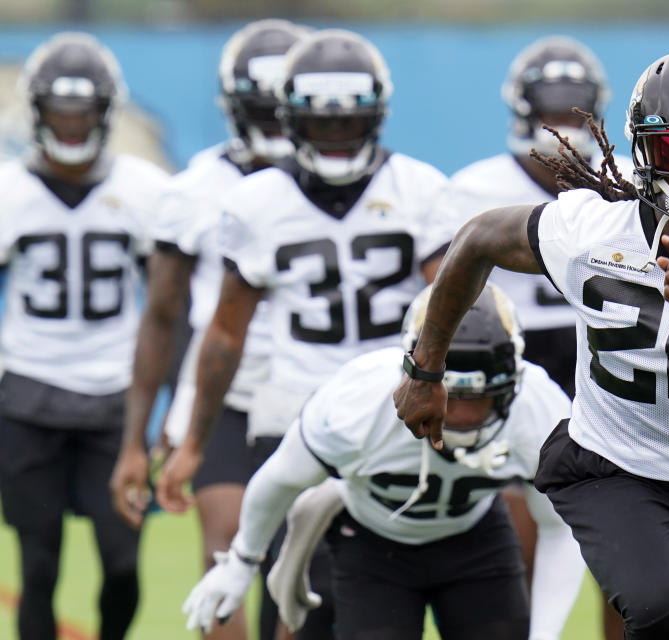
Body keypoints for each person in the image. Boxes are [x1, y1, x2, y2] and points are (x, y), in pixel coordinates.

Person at [394, 48, 669, 639]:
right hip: (614, 464)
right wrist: (425, 370)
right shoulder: (591, 231)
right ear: (646, 154)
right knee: (659, 605)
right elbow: (474, 241)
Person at [154, 27, 450, 635]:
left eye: (348, 122)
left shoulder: (419, 189)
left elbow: (448, 307)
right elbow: (225, 335)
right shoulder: (257, 199)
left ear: (376, 118)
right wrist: (192, 440)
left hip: (391, 405)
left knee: (385, 578)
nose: (337, 135)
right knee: (295, 581)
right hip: (297, 410)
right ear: (291, 120)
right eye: (322, 123)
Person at [180, 283, 585, 640]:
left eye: (480, 399)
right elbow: (281, 478)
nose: (461, 419)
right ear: (414, 374)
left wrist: (546, 633)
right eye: (450, 398)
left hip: (473, 535)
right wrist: (242, 560)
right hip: (372, 541)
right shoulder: (357, 402)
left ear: (511, 383)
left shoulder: (538, 407)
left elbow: (559, 526)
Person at [107, 19, 304, 640]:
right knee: (224, 544)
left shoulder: (351, 189)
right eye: (261, 111)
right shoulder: (193, 190)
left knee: (301, 563)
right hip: (224, 392)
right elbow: (162, 316)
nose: (274, 126)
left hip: (313, 385)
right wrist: (147, 431)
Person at [435, 34, 627, 639]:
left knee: (623, 552)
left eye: (573, 112)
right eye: (551, 111)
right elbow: (440, 291)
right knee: (513, 538)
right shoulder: (474, 188)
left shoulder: (621, 185)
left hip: (600, 362)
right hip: (507, 365)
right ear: (523, 111)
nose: (560, 126)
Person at [0, 33, 168, 640]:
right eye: (60, 115)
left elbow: (168, 309)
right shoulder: (8, 190)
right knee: (38, 562)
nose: (72, 128)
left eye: (83, 115)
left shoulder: (145, 190)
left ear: (105, 115)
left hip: (112, 401)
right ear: (38, 113)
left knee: (122, 563)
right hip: (26, 396)